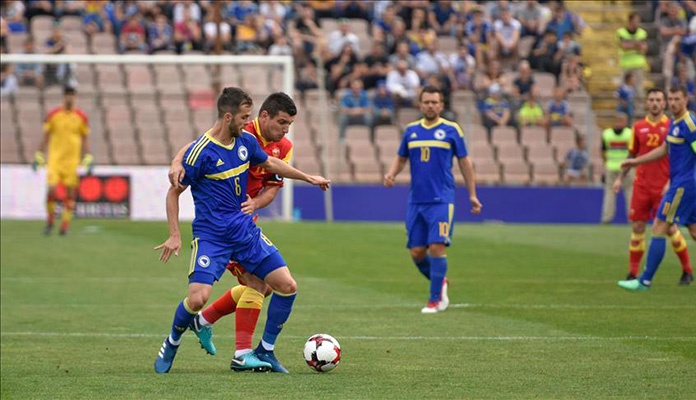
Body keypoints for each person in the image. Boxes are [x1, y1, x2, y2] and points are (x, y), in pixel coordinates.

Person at [153, 87, 330, 374]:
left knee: (286, 286)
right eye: (244, 117)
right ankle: (173, 341)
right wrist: (174, 234)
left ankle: (263, 350)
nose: (248, 122)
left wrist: (308, 177)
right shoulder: (204, 152)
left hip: (245, 231)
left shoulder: (246, 140)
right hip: (212, 236)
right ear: (229, 117)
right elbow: (174, 191)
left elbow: (271, 163)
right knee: (199, 298)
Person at [383, 86, 482, 314]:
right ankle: (441, 281)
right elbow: (401, 157)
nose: (430, 106)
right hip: (416, 200)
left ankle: (434, 299)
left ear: (441, 105)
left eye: (434, 102)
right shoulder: (411, 131)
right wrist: (392, 173)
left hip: (441, 200)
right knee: (417, 252)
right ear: (420, 105)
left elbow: (465, 162)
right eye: (426, 102)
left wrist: (472, 194)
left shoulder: (451, 130)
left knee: (437, 246)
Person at [618, 85, 696, 290]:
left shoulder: (689, 124)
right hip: (682, 184)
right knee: (693, 230)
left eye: (677, 99)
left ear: (686, 100)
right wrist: (635, 162)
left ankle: (644, 280)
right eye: (671, 99)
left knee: (659, 226)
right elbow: (664, 149)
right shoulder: (674, 122)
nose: (673, 103)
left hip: (683, 186)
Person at [33, 86, 93, 236]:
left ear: (75, 98)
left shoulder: (81, 117)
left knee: (70, 194)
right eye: (67, 95)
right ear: (63, 97)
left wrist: (88, 156)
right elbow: (46, 135)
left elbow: (85, 138)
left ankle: (64, 226)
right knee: (51, 190)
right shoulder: (53, 115)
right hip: (55, 160)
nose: (69, 98)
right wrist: (39, 153)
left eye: (72, 95)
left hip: (72, 162)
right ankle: (50, 221)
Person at [600, 112, 633, 224]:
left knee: (610, 192)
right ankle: (632, 217)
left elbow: (603, 151)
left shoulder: (607, 134)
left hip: (612, 165)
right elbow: (634, 150)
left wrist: (606, 162)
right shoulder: (630, 133)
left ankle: (607, 217)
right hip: (626, 166)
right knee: (629, 191)